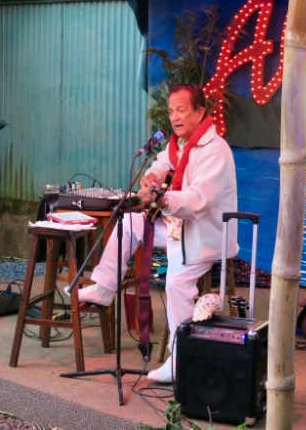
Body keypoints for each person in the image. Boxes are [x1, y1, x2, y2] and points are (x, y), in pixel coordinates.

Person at [78, 83, 239, 383]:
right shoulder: (177, 145)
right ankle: (104, 287)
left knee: (176, 284)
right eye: (171, 111)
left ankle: (180, 359)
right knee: (129, 222)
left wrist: (162, 200)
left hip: (205, 234)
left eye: (181, 110)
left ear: (199, 112)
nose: (174, 117)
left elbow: (198, 200)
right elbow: (161, 164)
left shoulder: (215, 150)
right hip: (178, 227)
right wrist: (151, 177)